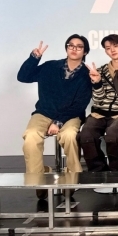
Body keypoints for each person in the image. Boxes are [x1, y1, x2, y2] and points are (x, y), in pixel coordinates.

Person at [18, 35, 92, 200]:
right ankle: (38, 177)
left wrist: (58, 122)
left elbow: (80, 104)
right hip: (44, 112)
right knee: (31, 136)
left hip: (71, 115)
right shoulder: (50, 66)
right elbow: (23, 77)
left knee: (70, 135)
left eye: (79, 46)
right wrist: (34, 58)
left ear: (85, 51)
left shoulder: (87, 74)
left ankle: (72, 177)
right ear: (66, 48)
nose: (74, 49)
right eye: (71, 45)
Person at [78, 34, 118, 173]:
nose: (112, 50)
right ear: (105, 51)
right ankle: (98, 172)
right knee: (86, 135)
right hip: (100, 113)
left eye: (115, 46)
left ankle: (115, 172)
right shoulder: (99, 72)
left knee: (113, 136)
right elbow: (98, 100)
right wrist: (97, 83)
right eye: (108, 48)